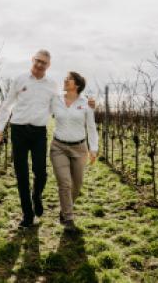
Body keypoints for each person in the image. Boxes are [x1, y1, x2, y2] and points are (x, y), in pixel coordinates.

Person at [0, 50, 95, 229]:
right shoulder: (19, 79)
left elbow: (67, 101)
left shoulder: (52, 86)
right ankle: (27, 214)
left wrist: (89, 103)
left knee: (41, 173)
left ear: (48, 66)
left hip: (39, 132)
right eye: (38, 61)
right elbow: (7, 104)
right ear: (32, 60)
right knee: (21, 173)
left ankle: (36, 195)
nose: (40, 65)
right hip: (18, 130)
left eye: (44, 63)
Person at [50, 71, 98, 232]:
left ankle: (64, 210)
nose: (65, 80)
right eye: (65, 78)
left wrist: (93, 148)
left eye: (69, 79)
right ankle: (69, 218)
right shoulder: (55, 100)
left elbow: (91, 127)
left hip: (79, 148)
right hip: (58, 147)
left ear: (77, 85)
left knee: (76, 185)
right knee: (65, 183)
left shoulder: (86, 103)